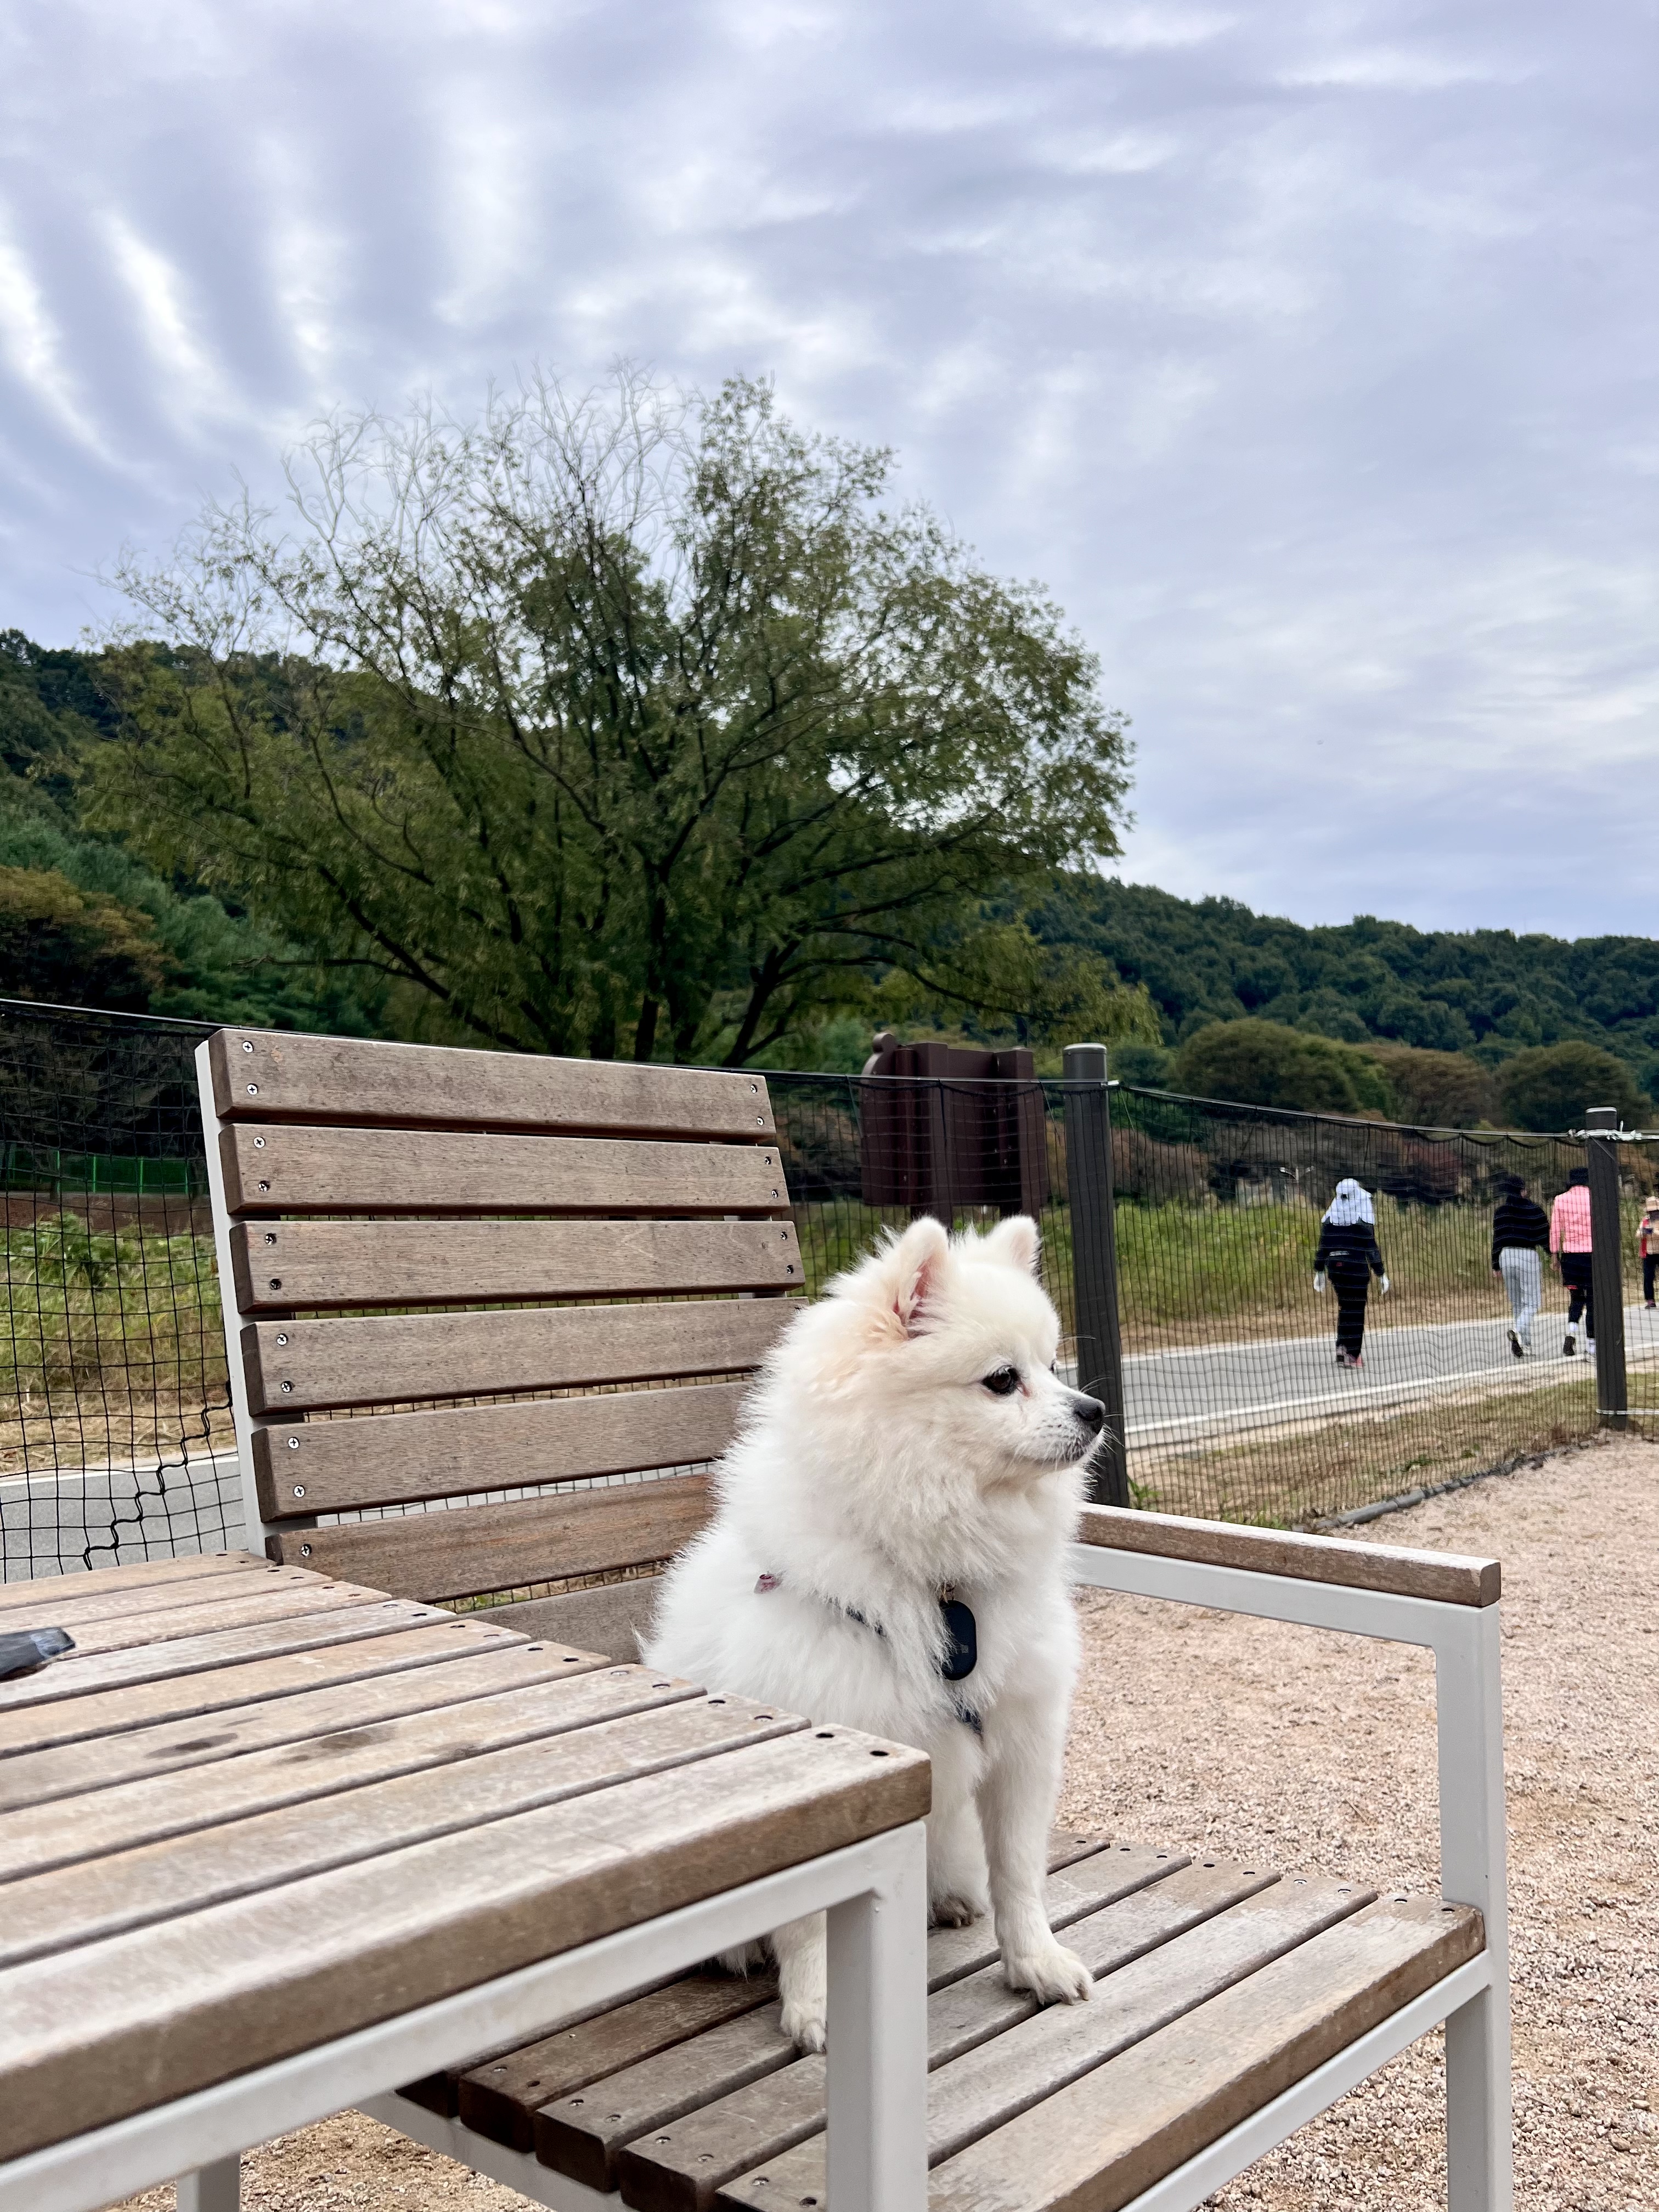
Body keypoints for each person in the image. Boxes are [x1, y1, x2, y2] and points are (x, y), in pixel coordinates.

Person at [1314, 1177, 1389, 1367]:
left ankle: (1342, 1347)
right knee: (1356, 1311)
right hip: (1356, 1269)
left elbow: (1323, 1246)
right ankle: (1353, 1355)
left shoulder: (1331, 1219)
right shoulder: (1362, 1219)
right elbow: (1371, 1247)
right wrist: (1381, 1273)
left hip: (1335, 1269)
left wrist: (1319, 1270)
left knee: (1345, 1307)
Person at [1491, 1173, 1550, 1357]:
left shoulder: (1500, 1212)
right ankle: (1517, 1331)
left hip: (1506, 1256)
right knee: (1532, 1303)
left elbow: (1497, 1239)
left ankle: (1526, 1344)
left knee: (1517, 1303)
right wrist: (1552, 1255)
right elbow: (1543, 1236)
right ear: (1523, 1190)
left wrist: (1495, 1264)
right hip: (1528, 1255)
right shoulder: (1534, 1209)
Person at [1549, 1167, 1594, 1357]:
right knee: (1593, 1301)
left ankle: (1571, 1334)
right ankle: (1592, 1345)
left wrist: (1554, 1256)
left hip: (1570, 1256)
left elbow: (1555, 1230)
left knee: (1576, 1299)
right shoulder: (1595, 1198)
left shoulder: (1560, 1199)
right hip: (1592, 1255)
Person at [1641, 1196, 1659, 1308]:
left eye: (1655, 1211)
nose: (1653, 1213)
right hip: (1649, 1253)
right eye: (1651, 1211)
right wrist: (1644, 1232)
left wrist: (1654, 1231)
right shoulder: (1645, 1221)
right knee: (1648, 1277)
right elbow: (1637, 1234)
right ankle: (1650, 1300)